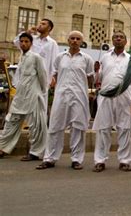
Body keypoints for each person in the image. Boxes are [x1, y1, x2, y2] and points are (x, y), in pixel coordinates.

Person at [36, 31, 94, 170]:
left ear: (81, 42)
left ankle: (76, 159)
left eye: (78, 39)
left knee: (78, 128)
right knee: (55, 126)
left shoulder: (87, 59)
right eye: (72, 38)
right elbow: (54, 74)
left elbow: (90, 78)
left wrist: (90, 92)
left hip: (79, 96)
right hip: (61, 95)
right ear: (68, 40)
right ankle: (50, 158)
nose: (74, 41)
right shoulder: (60, 57)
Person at [92, 31, 131, 173]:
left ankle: (125, 161)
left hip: (125, 98)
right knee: (103, 129)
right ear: (112, 41)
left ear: (126, 42)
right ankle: (100, 160)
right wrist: (96, 72)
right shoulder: (105, 58)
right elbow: (98, 80)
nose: (118, 39)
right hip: (106, 98)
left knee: (125, 129)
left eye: (121, 37)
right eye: (115, 37)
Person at [0, 33, 48, 161]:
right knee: (12, 120)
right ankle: (3, 148)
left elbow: (43, 78)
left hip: (33, 95)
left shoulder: (36, 57)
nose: (23, 44)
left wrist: (40, 92)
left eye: (26, 41)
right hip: (21, 94)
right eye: (21, 41)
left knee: (36, 125)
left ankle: (35, 152)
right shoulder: (22, 58)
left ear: (31, 43)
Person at [14, 18, 59, 109]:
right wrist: (27, 33)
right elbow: (16, 42)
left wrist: (53, 77)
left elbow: (55, 62)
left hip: (42, 79)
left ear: (49, 28)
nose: (40, 25)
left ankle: (38, 123)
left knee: (40, 105)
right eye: (40, 23)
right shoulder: (30, 39)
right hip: (26, 77)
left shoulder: (52, 43)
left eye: (43, 24)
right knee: (23, 103)